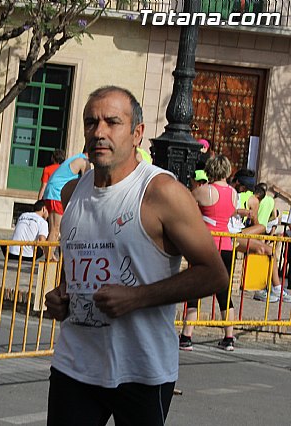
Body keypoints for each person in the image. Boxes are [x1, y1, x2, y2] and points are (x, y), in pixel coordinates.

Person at [44, 86, 228, 425]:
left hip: (141, 370)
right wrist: (62, 295)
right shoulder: (73, 192)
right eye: (91, 122)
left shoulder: (162, 192)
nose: (99, 132)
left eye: (112, 122)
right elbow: (77, 266)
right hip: (75, 366)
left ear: (137, 133)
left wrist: (138, 297)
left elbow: (215, 274)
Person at [179, 155, 238, 351]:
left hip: (206, 243)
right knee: (224, 290)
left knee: (195, 288)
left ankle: (187, 335)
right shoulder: (234, 194)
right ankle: (229, 337)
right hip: (227, 245)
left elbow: (185, 205)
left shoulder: (205, 191)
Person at [41, 151, 89, 260]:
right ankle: (49, 260)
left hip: (51, 192)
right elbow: (88, 182)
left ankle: (51, 256)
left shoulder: (75, 158)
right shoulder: (83, 161)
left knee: (55, 229)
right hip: (57, 193)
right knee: (56, 229)